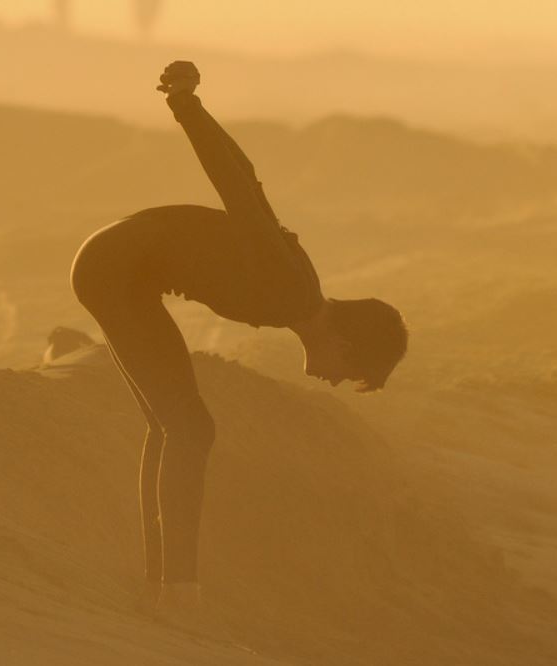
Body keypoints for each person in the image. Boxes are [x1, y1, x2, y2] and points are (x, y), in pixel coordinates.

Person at [70, 61, 408, 618]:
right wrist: (186, 104)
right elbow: (238, 186)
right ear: (347, 346)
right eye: (349, 374)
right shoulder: (290, 292)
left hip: (119, 267)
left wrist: (190, 103)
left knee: (173, 424)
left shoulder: (299, 288)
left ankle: (160, 588)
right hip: (116, 270)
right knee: (191, 427)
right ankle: (179, 593)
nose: (335, 381)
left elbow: (250, 184)